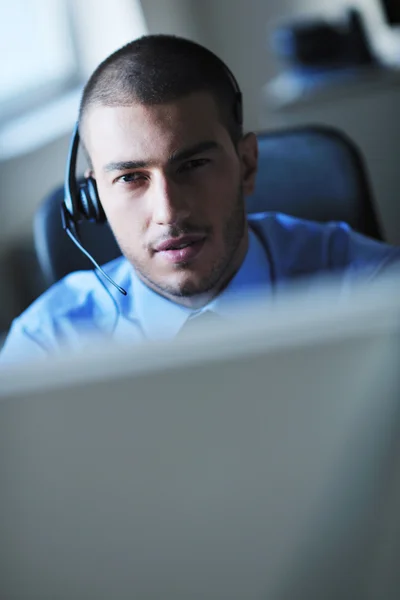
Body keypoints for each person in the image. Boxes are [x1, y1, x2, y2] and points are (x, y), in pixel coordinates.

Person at [1, 34, 400, 364]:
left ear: (246, 165)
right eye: (130, 178)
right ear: (94, 197)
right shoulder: (46, 347)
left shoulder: (374, 291)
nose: (169, 212)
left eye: (191, 166)